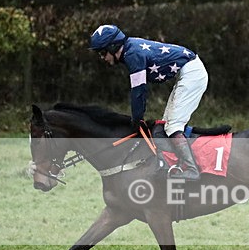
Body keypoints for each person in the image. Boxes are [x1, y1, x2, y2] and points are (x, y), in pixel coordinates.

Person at [88, 24, 208, 180]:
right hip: (188, 71)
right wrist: (137, 118)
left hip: (192, 74)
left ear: (113, 47)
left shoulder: (132, 55)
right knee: (166, 125)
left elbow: (139, 91)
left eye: (103, 52)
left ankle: (192, 170)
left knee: (173, 126)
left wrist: (136, 119)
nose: (102, 57)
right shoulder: (130, 48)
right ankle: (173, 164)